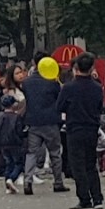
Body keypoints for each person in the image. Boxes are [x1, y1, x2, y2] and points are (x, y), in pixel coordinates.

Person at [62, 53, 105, 209]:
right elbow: (100, 107)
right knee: (90, 163)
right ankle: (97, 197)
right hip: (92, 128)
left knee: (77, 165)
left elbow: (59, 106)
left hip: (74, 128)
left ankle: (84, 198)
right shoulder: (96, 87)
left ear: (75, 68)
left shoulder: (68, 87)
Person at [23, 57, 65, 195]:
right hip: (51, 121)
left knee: (32, 152)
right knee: (55, 152)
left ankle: (27, 181)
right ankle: (58, 182)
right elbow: (59, 100)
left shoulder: (27, 83)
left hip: (33, 121)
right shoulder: (52, 83)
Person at [0, 90, 28, 192]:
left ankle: (8, 184)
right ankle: (11, 178)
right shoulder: (16, 117)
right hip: (15, 143)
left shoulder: (0, 116)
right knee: (18, 163)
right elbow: (19, 131)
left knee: (8, 163)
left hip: (3, 144)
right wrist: (23, 136)